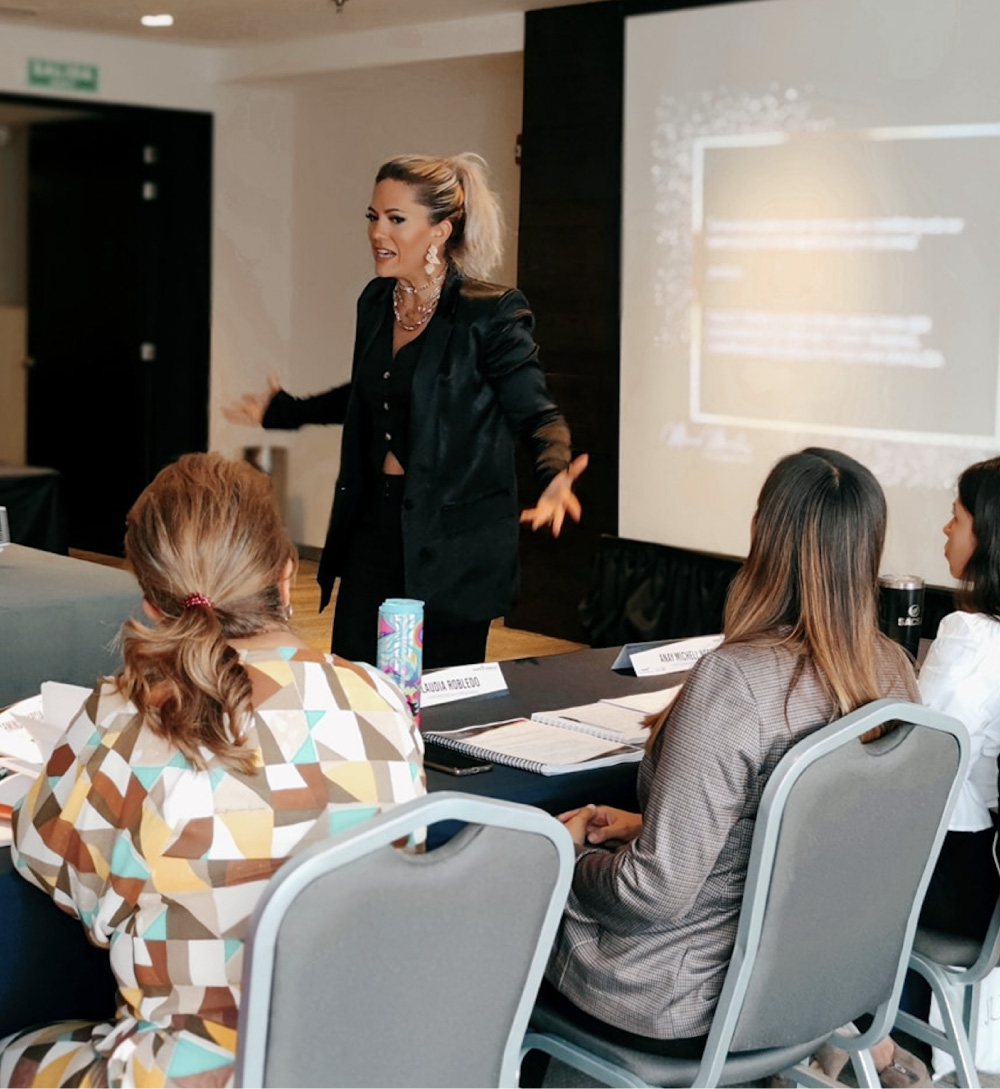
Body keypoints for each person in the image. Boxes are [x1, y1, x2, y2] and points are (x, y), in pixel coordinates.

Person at [0, 453, 425, 1088]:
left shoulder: (126, 718)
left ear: (149, 606)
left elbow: (48, 867)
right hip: (351, 1063)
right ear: (286, 578)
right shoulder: (383, 700)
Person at [538, 448, 922, 1082]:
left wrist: (562, 858)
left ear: (763, 536)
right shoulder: (896, 673)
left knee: (491, 910)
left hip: (679, 996)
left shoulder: (735, 683)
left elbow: (652, 895)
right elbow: (797, 838)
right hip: (810, 989)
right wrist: (651, 828)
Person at [224, 152, 587, 669]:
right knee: (358, 676)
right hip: (375, 521)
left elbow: (535, 412)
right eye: (373, 217)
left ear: (440, 230)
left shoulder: (491, 312)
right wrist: (286, 410)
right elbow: (380, 390)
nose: (378, 232)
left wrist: (554, 474)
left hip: (451, 540)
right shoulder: (376, 301)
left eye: (397, 219)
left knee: (437, 699)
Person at [915, 456, 1000, 940]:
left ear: (988, 536)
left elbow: (918, 757)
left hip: (951, 873)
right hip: (981, 876)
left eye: (958, 516)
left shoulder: (971, 633)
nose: (947, 528)